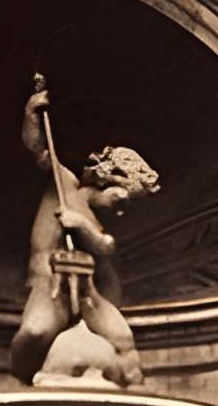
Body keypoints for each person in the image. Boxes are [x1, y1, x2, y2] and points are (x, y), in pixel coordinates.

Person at [10, 75, 160, 387]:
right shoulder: (64, 186)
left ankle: (136, 399)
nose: (121, 210)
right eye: (120, 199)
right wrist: (32, 114)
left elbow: (106, 246)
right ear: (105, 179)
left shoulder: (95, 221)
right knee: (34, 333)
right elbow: (40, 150)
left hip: (92, 292)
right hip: (51, 286)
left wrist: (81, 227)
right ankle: (27, 381)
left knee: (124, 343)